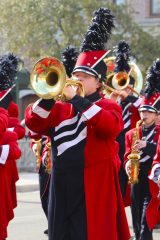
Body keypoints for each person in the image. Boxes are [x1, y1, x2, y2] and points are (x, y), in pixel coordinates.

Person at [25, 8, 130, 240]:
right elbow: (33, 124)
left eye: (84, 76)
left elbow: (109, 128)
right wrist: (48, 96)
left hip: (92, 186)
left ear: (98, 81)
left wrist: (79, 100)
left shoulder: (108, 106)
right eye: (75, 74)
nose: (76, 79)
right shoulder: (59, 107)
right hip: (61, 184)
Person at [124, 58, 160, 240]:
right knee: (137, 217)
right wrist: (127, 166)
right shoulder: (131, 133)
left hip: (152, 179)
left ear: (156, 115)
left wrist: (148, 146)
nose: (144, 115)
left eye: (148, 112)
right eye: (142, 112)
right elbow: (125, 156)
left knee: (147, 218)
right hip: (136, 179)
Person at [109, 40, 142, 200]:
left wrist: (128, 97)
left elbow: (146, 106)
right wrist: (114, 98)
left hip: (130, 142)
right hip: (114, 140)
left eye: (124, 85)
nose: (120, 88)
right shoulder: (112, 100)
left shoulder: (137, 101)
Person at [30, 134, 51, 235]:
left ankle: (55, 225)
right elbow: (35, 137)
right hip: (44, 161)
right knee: (44, 198)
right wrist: (34, 145)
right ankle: (51, 223)